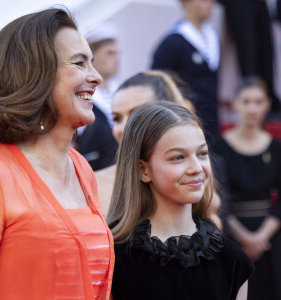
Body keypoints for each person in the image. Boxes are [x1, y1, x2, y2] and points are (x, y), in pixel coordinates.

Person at [0, 8, 114, 300]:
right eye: (80, 63)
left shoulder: (81, 169)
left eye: (92, 63)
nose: (96, 77)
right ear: (34, 74)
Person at [107, 101, 254, 300]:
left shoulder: (233, 260)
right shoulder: (113, 257)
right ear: (144, 170)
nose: (196, 168)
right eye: (178, 157)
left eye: (202, 154)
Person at [211, 76, 281, 300]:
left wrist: (261, 236)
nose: (252, 108)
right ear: (235, 103)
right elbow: (217, 198)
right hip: (230, 233)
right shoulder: (219, 147)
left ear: (268, 104)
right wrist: (243, 236)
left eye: (258, 101)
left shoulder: (277, 148)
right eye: (247, 101)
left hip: (271, 237)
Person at [95, 70, 187, 214]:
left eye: (136, 114)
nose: (124, 127)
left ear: (170, 115)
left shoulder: (191, 175)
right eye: (116, 118)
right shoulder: (94, 184)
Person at [151, 0, 220, 142]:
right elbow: (158, 82)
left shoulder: (212, 38)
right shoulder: (173, 41)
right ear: (186, 3)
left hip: (212, 120)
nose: (210, 3)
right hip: (187, 122)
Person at [74, 23, 119, 170]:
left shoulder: (121, 91)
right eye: (109, 53)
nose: (117, 59)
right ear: (92, 57)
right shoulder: (83, 97)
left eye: (118, 53)